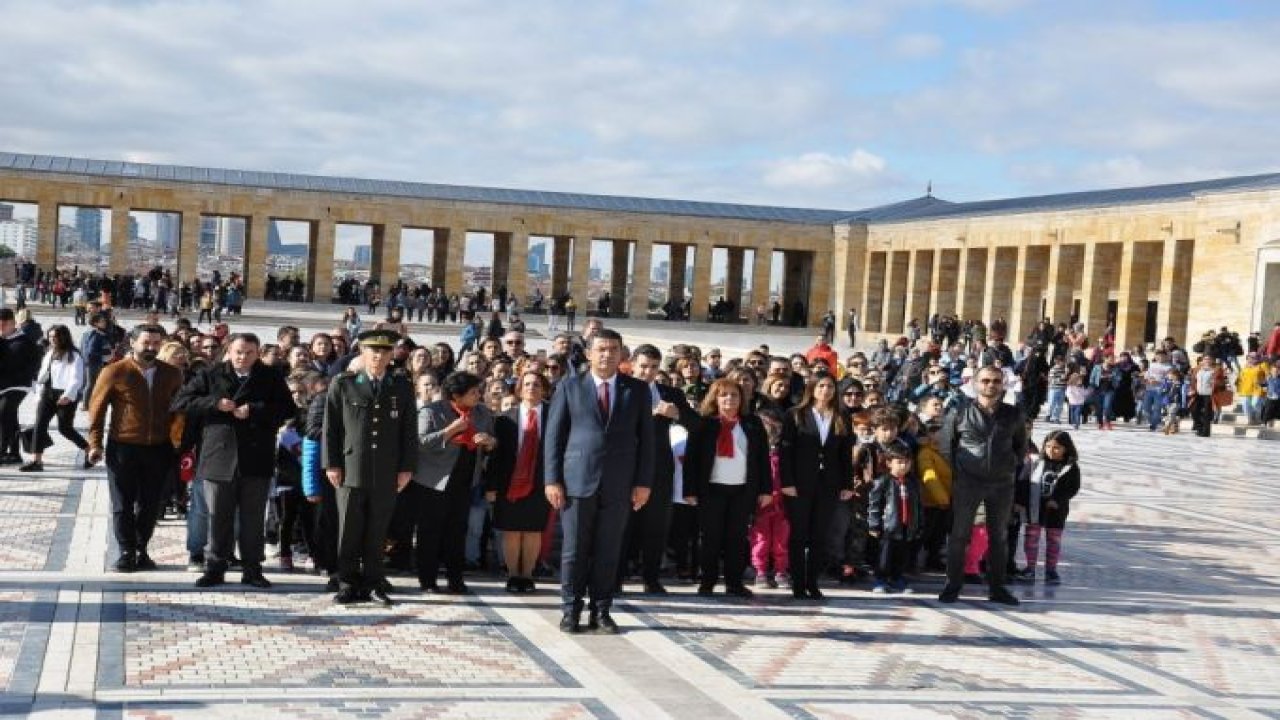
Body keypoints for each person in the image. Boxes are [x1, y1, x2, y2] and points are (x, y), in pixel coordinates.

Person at [544, 328, 654, 635]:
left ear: (622, 354)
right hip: (577, 481)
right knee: (574, 551)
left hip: (619, 483)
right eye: (601, 349)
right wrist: (552, 479)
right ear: (589, 353)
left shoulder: (637, 390)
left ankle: (601, 610)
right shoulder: (570, 386)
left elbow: (647, 440)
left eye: (613, 349)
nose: (607, 355)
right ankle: (571, 609)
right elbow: (554, 437)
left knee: (609, 550)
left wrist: (643, 482)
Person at [173, 333, 295, 589]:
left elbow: (288, 409)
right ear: (229, 350)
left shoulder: (270, 376)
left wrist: (255, 410)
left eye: (249, 353)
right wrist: (215, 404)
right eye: (239, 352)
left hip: (256, 456)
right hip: (218, 455)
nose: (243, 357)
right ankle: (214, 567)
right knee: (218, 516)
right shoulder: (211, 373)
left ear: (258, 353)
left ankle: (252, 569)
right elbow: (182, 402)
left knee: (252, 518)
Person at [323, 330, 419, 605]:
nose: (378, 356)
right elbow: (331, 428)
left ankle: (374, 583)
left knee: (378, 530)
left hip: (387, 469)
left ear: (391, 356)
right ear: (362, 353)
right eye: (373, 351)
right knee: (349, 529)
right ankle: (347, 582)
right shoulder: (344, 383)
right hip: (351, 467)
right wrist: (332, 463)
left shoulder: (400, 386)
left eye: (384, 351)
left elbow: (408, 430)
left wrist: (406, 467)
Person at [88, 324, 184, 573]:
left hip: (159, 447)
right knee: (122, 503)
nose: (151, 348)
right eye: (146, 343)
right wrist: (95, 444)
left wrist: (177, 441)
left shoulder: (172, 374)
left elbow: (179, 411)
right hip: (123, 446)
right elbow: (97, 410)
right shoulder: (114, 371)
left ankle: (141, 549)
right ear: (132, 343)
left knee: (150, 504)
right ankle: (126, 551)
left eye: (156, 343)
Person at [937, 365, 1027, 606]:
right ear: (975, 383)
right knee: (959, 535)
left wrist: (1008, 466)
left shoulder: (1013, 414)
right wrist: (962, 471)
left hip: (1001, 484)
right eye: (986, 380)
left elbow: (1020, 446)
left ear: (1003, 384)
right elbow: (946, 447)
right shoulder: (959, 412)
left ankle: (997, 587)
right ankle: (953, 585)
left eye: (996, 381)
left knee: (999, 536)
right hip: (968, 482)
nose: (991, 385)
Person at [683, 378, 772, 598]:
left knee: (737, 538)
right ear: (715, 398)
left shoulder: (752, 423)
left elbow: (762, 458)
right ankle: (708, 581)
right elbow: (692, 459)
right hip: (711, 489)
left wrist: (765, 490)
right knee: (710, 538)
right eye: (724, 395)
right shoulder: (704, 424)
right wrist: (690, 490)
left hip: (742, 490)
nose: (729, 399)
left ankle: (734, 583)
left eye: (734, 395)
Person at [625, 344, 701, 594]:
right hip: (624, 468)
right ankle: (615, 576)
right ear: (633, 364)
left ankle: (651, 578)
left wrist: (677, 414)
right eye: (643, 366)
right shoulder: (619, 388)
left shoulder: (670, 394)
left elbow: (697, 425)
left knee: (656, 526)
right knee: (621, 525)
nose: (648, 372)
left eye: (654, 367)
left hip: (659, 470)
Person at [412, 371, 496, 594]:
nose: (478, 395)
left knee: (457, 532)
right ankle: (428, 580)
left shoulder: (482, 412)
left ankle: (455, 579)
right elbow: (421, 443)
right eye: (473, 392)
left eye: (478, 391)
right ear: (457, 395)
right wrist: (450, 431)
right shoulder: (432, 411)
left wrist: (489, 441)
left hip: (465, 481)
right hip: (434, 482)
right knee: (430, 532)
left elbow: (493, 440)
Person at [779, 375, 853, 599]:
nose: (826, 390)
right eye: (821, 386)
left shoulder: (841, 416)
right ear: (812, 388)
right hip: (800, 483)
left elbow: (845, 454)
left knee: (819, 534)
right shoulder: (795, 414)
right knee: (798, 534)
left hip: (829, 483)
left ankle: (812, 582)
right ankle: (798, 583)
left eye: (830, 386)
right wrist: (787, 482)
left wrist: (847, 483)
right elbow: (786, 451)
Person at [485, 371, 552, 593]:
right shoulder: (504, 419)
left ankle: (527, 575)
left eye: (537, 384)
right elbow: (495, 456)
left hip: (541, 482)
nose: (532, 388)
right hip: (509, 482)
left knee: (533, 530)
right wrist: (491, 486)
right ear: (519, 389)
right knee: (511, 530)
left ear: (544, 389)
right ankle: (513, 575)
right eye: (527, 384)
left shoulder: (554, 415)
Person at [1014, 430, 1080, 585]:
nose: (1051, 450)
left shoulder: (1070, 467)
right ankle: (1030, 568)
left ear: (1066, 448)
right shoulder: (1036, 462)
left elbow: (1072, 488)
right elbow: (1024, 482)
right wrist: (1020, 502)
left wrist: (1058, 500)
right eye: (1048, 446)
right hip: (1035, 508)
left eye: (1056, 447)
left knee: (1053, 541)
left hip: (1056, 511)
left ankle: (1051, 570)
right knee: (1031, 539)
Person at [21, 325, 90, 472]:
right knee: (39, 425)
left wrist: (67, 395)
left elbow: (77, 378)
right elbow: (43, 374)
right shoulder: (50, 352)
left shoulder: (74, 355)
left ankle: (88, 449)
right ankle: (36, 460)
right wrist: (38, 393)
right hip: (48, 393)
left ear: (63, 337)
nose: (52, 339)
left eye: (55, 336)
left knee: (65, 429)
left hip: (65, 395)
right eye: (50, 336)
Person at [868, 441, 923, 593]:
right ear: (889, 463)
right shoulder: (883, 482)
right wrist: (874, 524)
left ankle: (897, 578)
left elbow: (918, 506)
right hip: (888, 526)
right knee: (884, 555)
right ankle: (880, 579)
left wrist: (919, 524)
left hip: (907, 526)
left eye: (907, 462)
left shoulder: (913, 483)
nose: (903, 466)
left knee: (902, 555)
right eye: (899, 462)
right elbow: (874, 505)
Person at [749, 411, 788, 589]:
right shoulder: (755, 448)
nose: (771, 430)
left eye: (774, 426)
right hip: (762, 503)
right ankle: (760, 571)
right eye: (767, 426)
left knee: (781, 540)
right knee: (761, 539)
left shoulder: (785, 449)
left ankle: (781, 571)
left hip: (782, 504)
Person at [0, 308, 41, 463]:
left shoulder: (25, 341)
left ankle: (2, 451)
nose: (2, 328)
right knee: (10, 417)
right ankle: (15, 453)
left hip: (19, 385)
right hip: (3, 385)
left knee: (3, 413)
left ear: (13, 323)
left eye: (4, 325)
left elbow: (35, 363)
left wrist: (27, 377)